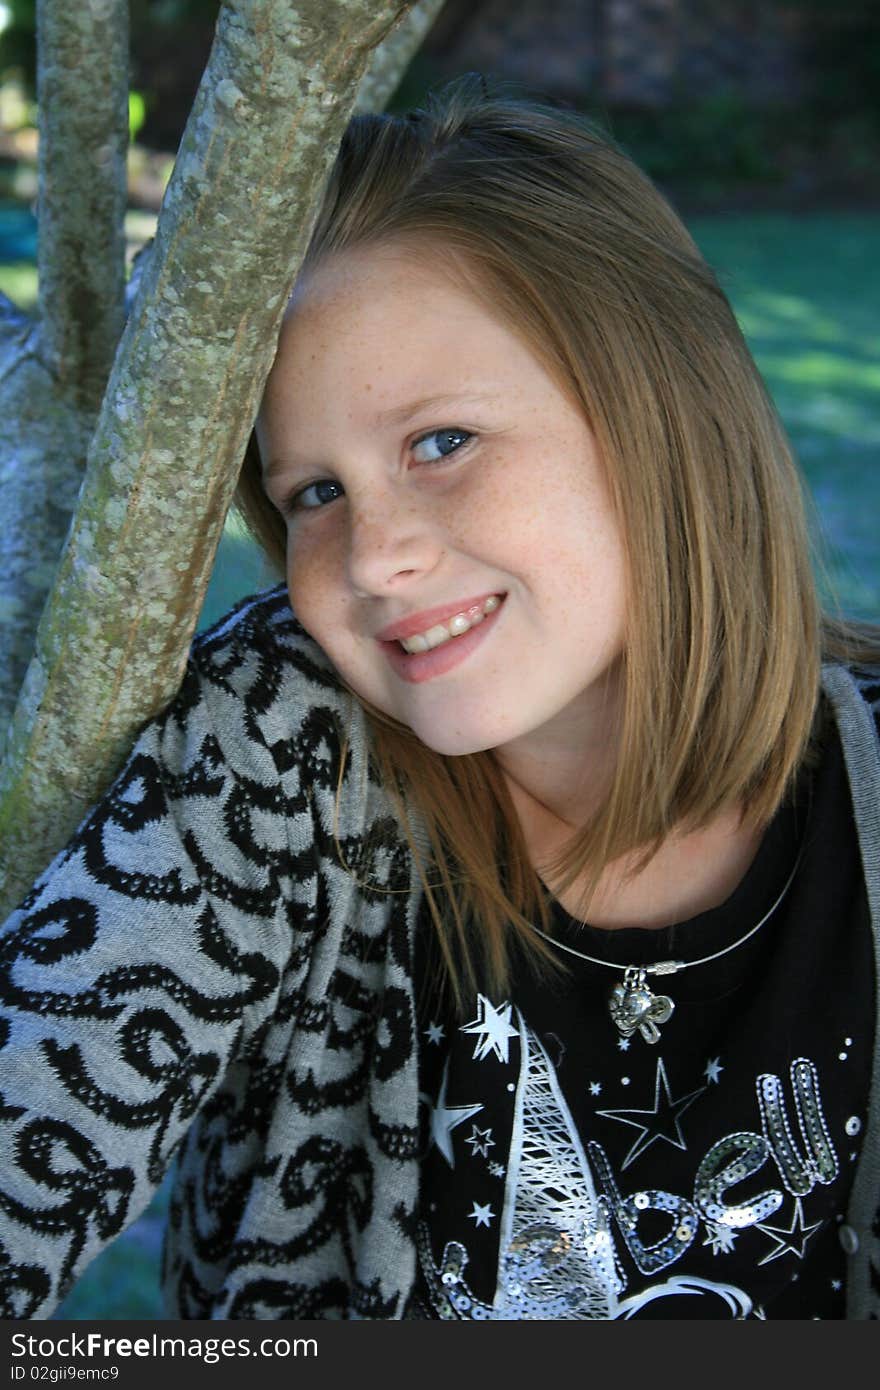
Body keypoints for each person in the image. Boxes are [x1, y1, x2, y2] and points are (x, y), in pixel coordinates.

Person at [1, 78, 879, 1322]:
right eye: (313, 492)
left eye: (441, 443)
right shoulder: (285, 751)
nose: (370, 557)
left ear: (661, 415)